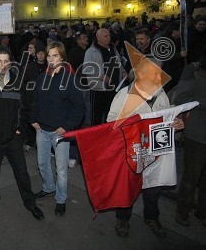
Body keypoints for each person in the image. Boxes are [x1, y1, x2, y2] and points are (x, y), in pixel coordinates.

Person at [107, 57, 184, 239]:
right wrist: (133, 125)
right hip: (132, 151)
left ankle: (151, 217)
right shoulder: (125, 95)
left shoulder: (162, 94)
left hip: (155, 151)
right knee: (128, 187)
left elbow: (165, 120)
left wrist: (175, 124)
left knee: (153, 188)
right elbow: (111, 121)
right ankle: (123, 219)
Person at [0, 46, 45, 220]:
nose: (3, 65)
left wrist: (19, 129)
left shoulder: (17, 84)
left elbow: (25, 108)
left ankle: (30, 203)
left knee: (22, 173)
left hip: (14, 138)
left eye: (6, 61)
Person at [30, 42, 84, 216]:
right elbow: (35, 101)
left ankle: (60, 199)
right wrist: (33, 119)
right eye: (48, 56)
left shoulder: (69, 79)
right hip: (42, 130)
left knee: (61, 170)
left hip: (60, 134)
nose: (51, 60)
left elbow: (79, 107)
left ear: (62, 58)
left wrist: (66, 127)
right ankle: (48, 187)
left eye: (55, 56)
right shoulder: (42, 77)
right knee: (42, 163)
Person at [175, 49, 206, 227]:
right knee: (191, 177)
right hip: (196, 134)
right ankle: (182, 212)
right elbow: (182, 98)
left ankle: (202, 212)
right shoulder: (193, 70)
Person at [83, 28, 126, 126]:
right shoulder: (91, 51)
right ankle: (96, 136)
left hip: (114, 88)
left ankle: (109, 136)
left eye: (109, 35)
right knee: (97, 117)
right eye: (105, 36)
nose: (108, 38)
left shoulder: (113, 49)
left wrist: (123, 72)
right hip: (98, 89)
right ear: (98, 38)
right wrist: (101, 76)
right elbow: (87, 69)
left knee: (111, 114)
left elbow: (118, 63)